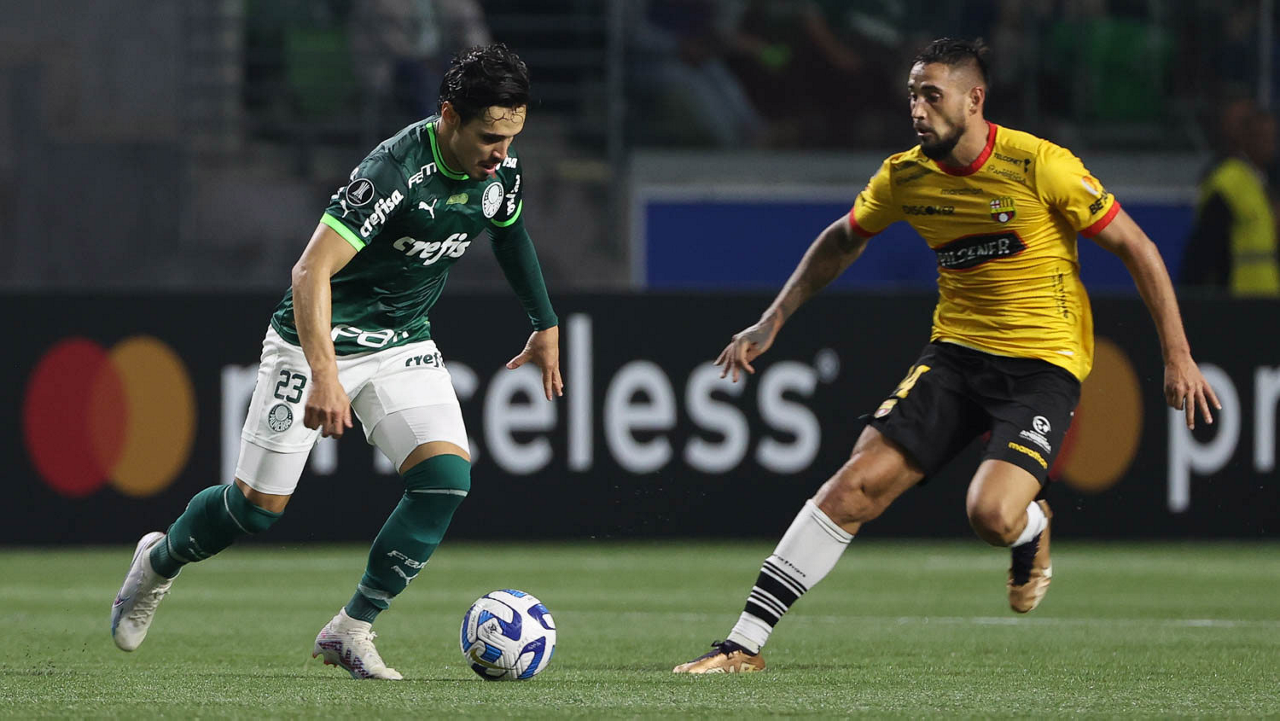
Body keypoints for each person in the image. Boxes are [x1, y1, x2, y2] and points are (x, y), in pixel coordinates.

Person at [673, 37, 1220, 674]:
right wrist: (773, 319)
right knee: (853, 488)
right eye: (912, 96)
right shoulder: (905, 176)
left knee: (990, 515)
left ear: (974, 99)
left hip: (1042, 366)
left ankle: (1030, 527)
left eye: (932, 96)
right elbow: (842, 240)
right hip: (956, 357)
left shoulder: (1040, 165)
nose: (917, 109)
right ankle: (743, 644)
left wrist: (1178, 355)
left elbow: (1137, 247)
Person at [111, 44, 563, 680]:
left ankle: (351, 629)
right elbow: (310, 272)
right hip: (315, 340)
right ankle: (159, 562)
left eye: (512, 138)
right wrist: (325, 373)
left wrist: (544, 323)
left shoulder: (499, 172)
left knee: (446, 479)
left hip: (402, 342)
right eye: (490, 137)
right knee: (255, 511)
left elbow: (510, 233)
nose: (501, 153)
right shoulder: (393, 172)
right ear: (448, 116)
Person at [1181, 98, 1280, 295]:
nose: (1270, 145)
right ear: (1246, 139)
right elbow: (1205, 247)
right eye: (1262, 138)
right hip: (1237, 294)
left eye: (1273, 138)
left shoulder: (1264, 180)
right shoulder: (1229, 181)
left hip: (1267, 294)